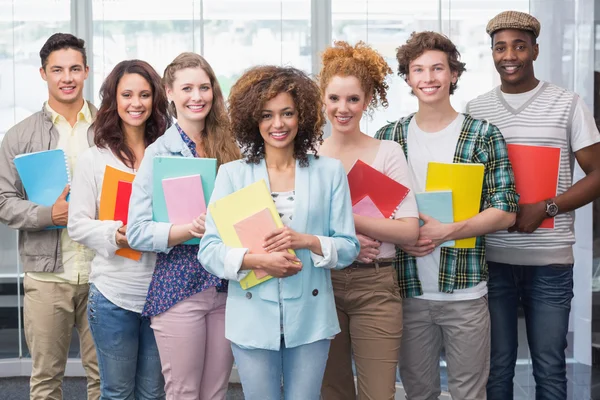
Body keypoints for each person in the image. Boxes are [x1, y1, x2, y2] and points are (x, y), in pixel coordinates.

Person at [198, 65, 360, 400]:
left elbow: (348, 248)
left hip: (311, 317)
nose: (278, 124)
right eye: (267, 115)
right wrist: (258, 261)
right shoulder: (232, 175)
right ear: (252, 121)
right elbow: (209, 250)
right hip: (251, 314)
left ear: (302, 116)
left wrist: (308, 241)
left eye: (287, 113)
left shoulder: (329, 172)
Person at [375, 31, 519, 399]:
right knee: (418, 393)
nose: (428, 77)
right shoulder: (389, 138)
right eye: (418, 69)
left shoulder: (483, 134)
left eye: (438, 68)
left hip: (466, 294)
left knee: (469, 393)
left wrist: (446, 231)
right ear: (407, 78)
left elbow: (506, 210)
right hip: (407, 292)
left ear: (453, 74)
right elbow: (374, 211)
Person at [466, 11, 600, 399]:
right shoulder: (476, 110)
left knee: (549, 366)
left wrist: (547, 207)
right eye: (501, 47)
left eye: (519, 46)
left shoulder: (568, 104)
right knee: (497, 365)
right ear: (492, 53)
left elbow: (597, 174)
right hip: (493, 259)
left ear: (535, 50)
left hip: (550, 262)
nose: (510, 55)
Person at [126, 52, 240, 400]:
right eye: (187, 88)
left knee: (216, 391)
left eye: (204, 87)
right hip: (179, 290)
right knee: (184, 392)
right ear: (169, 93)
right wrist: (188, 229)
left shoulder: (232, 147)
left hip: (227, 287)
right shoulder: (159, 154)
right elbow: (137, 231)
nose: (197, 96)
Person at [317, 41, 419, 400]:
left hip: (376, 286)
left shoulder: (386, 152)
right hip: (321, 284)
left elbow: (408, 230)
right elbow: (294, 227)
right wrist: (347, 242)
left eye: (353, 99)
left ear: (368, 99)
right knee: (333, 391)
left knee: (379, 393)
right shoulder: (309, 155)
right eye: (334, 99)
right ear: (322, 98)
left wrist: (348, 224)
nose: (342, 109)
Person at [0, 33, 100, 400]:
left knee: (104, 379)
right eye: (57, 70)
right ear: (43, 73)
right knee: (45, 381)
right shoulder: (19, 135)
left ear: (87, 71)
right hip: (46, 275)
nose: (67, 77)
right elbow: (2, 200)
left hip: (103, 271)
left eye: (75, 68)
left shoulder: (109, 128)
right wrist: (47, 213)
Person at [68, 59, 170, 399]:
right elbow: (77, 225)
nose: (136, 103)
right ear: (114, 100)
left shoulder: (168, 154)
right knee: (117, 392)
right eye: (127, 94)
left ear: (155, 99)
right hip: (113, 294)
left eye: (144, 94)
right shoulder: (94, 159)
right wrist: (116, 234)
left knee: (154, 393)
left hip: (163, 293)